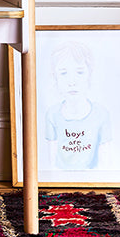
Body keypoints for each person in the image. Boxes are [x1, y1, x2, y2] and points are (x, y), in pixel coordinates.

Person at [45, 41, 112, 170]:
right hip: (60, 179)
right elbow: (51, 162)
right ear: (55, 77)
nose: (72, 81)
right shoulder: (52, 114)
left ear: (89, 74)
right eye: (64, 73)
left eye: (80, 72)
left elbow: (105, 161)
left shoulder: (101, 114)